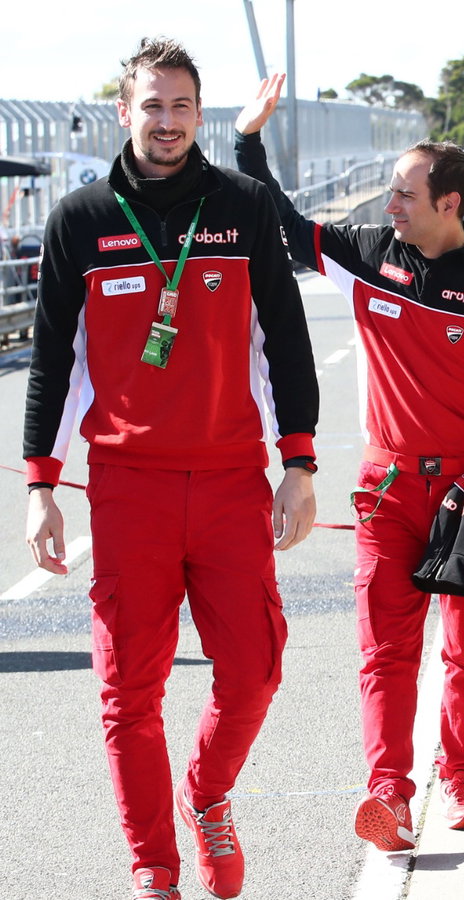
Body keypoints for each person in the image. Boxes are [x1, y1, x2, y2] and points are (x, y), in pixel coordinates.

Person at [233, 74, 464, 853]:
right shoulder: (365, 256)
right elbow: (286, 225)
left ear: (450, 204)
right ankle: (389, 795)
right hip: (386, 486)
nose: (387, 204)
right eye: (391, 191)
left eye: (403, 193)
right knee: (385, 650)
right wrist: (247, 141)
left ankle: (458, 776)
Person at [21, 38, 318, 900]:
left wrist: (297, 464)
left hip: (230, 478)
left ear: (201, 113)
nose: (167, 121)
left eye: (182, 105)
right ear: (126, 111)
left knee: (256, 667)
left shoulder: (245, 205)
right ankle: (154, 869)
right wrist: (42, 488)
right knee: (127, 694)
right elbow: (49, 361)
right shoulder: (80, 217)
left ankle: (208, 795)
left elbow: (288, 340)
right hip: (127, 488)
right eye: (151, 105)